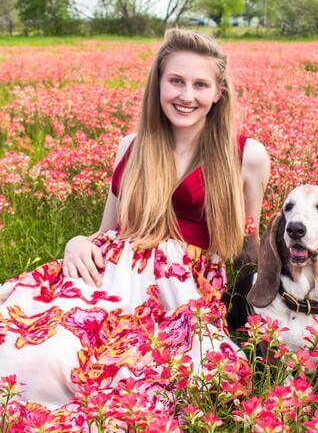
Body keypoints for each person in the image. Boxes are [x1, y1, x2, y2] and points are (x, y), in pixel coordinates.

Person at [0, 29, 270, 416]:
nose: (186, 95)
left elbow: (249, 245)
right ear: (158, 83)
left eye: (200, 84)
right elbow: (106, 230)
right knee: (43, 355)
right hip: (109, 276)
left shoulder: (247, 156)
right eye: (175, 81)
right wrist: (78, 241)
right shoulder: (131, 145)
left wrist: (249, 314)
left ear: (218, 92)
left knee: (155, 381)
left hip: (180, 295)